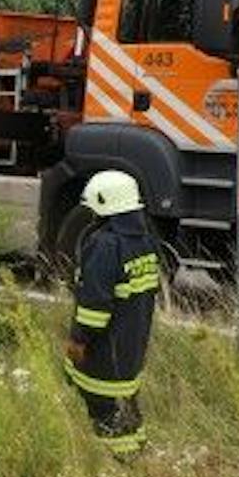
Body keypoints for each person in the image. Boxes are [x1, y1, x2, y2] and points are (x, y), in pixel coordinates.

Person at [65, 169, 159, 459]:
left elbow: (95, 305)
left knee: (104, 411)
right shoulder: (144, 242)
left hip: (105, 351)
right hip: (132, 348)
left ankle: (118, 466)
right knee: (127, 407)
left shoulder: (106, 245)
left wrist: (79, 340)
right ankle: (136, 459)